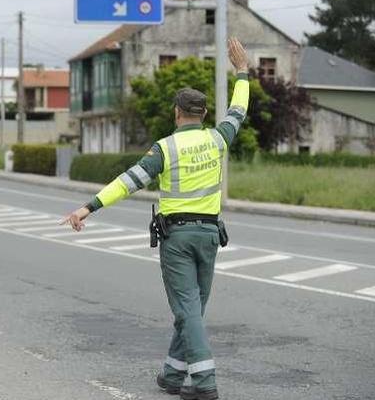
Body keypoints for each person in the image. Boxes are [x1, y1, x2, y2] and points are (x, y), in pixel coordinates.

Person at [58, 37, 252, 400]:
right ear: (204, 115)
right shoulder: (217, 140)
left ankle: (205, 383)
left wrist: (88, 207)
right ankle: (172, 377)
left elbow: (128, 182)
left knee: (187, 310)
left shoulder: (165, 148)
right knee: (192, 309)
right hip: (210, 236)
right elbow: (238, 111)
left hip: (177, 239)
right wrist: (242, 72)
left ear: (177, 113)